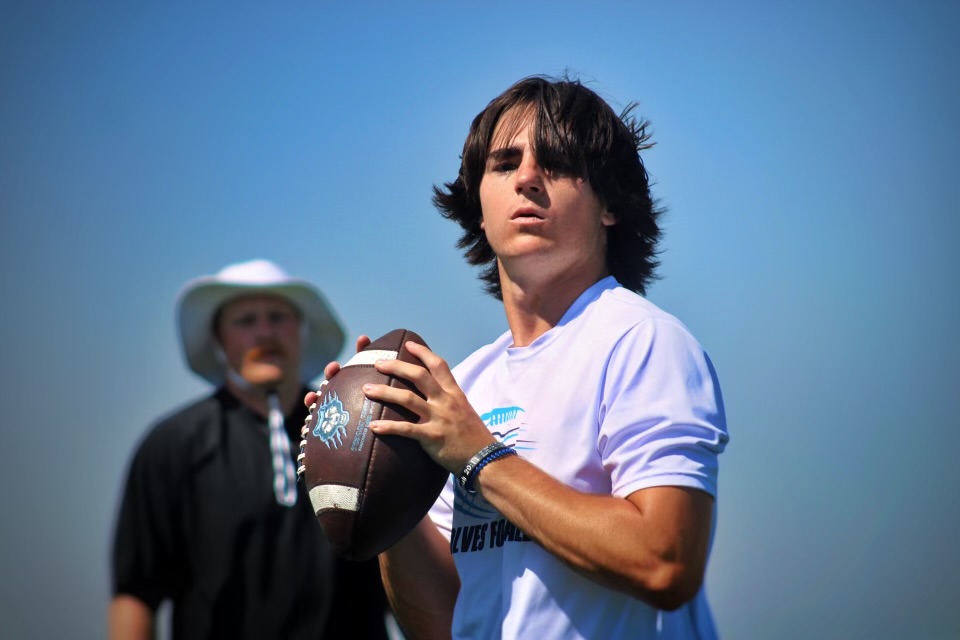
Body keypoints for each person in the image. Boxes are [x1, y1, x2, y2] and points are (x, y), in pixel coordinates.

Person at [310, 75, 730, 639]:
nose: (527, 178)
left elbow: (665, 563)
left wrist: (480, 457)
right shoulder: (462, 387)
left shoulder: (641, 341)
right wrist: (379, 475)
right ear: (480, 210)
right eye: (504, 164)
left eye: (555, 163)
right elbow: (442, 625)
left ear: (609, 204)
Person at [111, 259, 390, 640]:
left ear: (301, 330)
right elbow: (135, 592)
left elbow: (403, 566)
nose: (264, 332)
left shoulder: (358, 431)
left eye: (278, 317)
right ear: (218, 339)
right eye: (245, 321)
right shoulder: (173, 445)